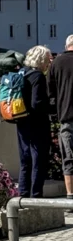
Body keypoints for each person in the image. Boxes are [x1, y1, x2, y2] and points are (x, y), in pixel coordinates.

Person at [15, 46, 53, 198]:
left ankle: (23, 194)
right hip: (37, 124)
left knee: (25, 160)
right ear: (42, 60)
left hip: (21, 121)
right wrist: (52, 106)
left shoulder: (21, 73)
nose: (49, 63)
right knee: (39, 160)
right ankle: (36, 196)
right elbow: (37, 103)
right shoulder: (37, 76)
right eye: (48, 60)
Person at [48, 34, 73, 200]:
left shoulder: (56, 62)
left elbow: (50, 93)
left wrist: (55, 114)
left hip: (66, 117)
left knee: (69, 158)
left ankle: (70, 196)